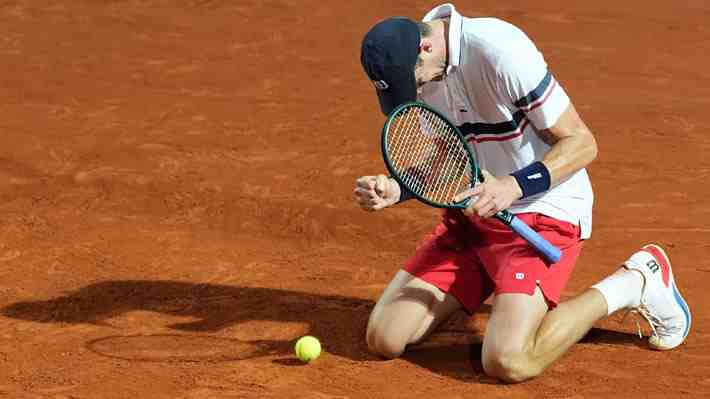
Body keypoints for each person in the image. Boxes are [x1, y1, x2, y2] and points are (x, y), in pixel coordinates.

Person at [354, 3, 691, 383]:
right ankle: (492, 279)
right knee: (384, 338)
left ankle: (634, 282)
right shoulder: (429, 74)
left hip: (544, 213)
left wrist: (512, 186)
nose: (414, 91)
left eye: (411, 80)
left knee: (507, 361)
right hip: (475, 219)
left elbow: (582, 143)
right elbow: (450, 154)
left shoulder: (500, 51)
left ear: (426, 48)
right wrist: (397, 188)